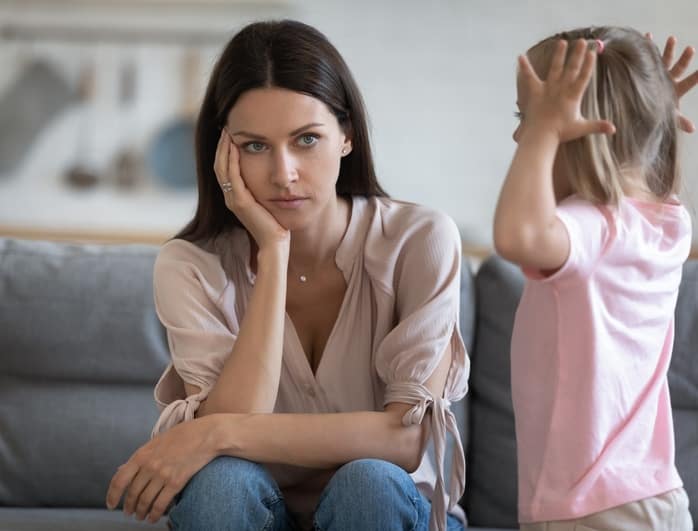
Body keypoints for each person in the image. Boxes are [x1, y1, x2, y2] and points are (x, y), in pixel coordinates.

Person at [105, 19, 468, 531]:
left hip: (385, 510)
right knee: (220, 486)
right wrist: (274, 252)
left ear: (345, 136)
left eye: (306, 139)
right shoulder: (190, 265)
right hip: (254, 507)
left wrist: (212, 433)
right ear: (222, 153)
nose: (283, 174)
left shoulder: (419, 239)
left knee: (367, 482)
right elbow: (227, 444)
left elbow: (405, 441)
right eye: (254, 146)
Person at [493, 27, 697, 530]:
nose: (522, 135)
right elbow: (636, 167)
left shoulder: (592, 231)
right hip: (655, 498)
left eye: (531, 117)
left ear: (579, 133)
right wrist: (647, 117)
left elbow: (515, 235)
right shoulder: (669, 222)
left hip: (590, 510)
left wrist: (543, 134)